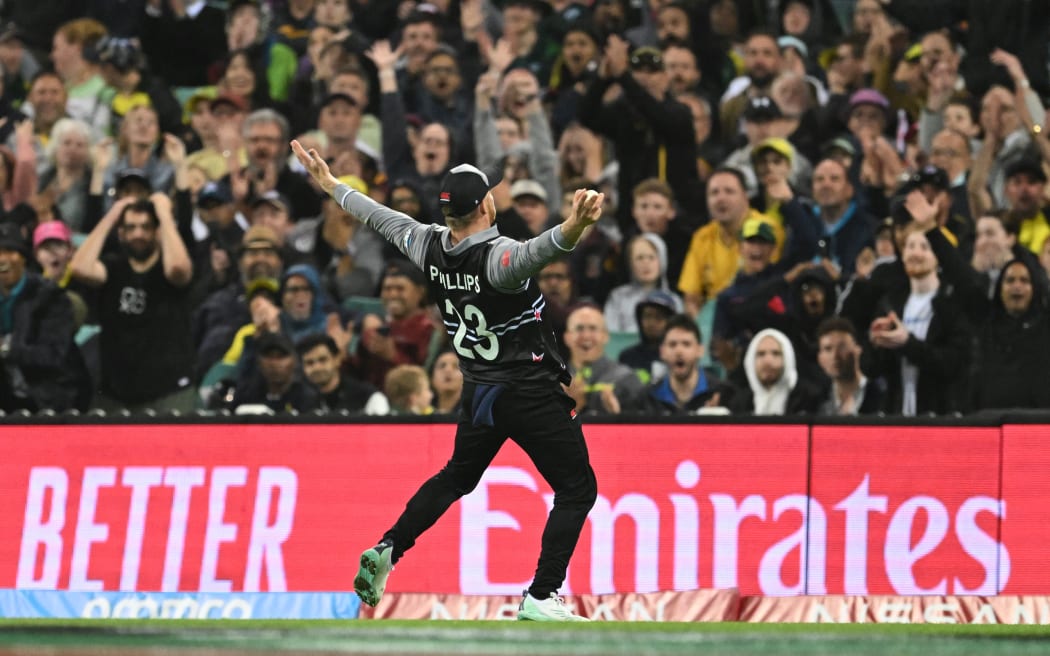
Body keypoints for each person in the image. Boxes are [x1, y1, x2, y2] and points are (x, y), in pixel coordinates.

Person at [292, 138, 602, 621]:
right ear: (485, 205)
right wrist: (577, 224)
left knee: (457, 477)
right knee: (578, 489)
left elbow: (377, 215)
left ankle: (390, 547)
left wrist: (331, 185)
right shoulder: (500, 260)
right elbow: (545, 248)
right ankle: (542, 594)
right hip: (526, 389)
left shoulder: (427, 245)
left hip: (478, 390)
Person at [69, 194, 196, 412]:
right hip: (115, 395)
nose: (138, 234)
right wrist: (111, 216)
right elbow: (79, 267)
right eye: (131, 227)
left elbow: (179, 269)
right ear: (121, 233)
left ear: (157, 231)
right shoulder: (112, 268)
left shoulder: (168, 270)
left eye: (146, 227)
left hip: (169, 393)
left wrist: (164, 215)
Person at [0, 221, 90, 412]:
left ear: (24, 258)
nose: (2, 259)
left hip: (53, 403)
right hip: (9, 403)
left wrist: (7, 349)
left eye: (10, 251)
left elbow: (54, 355)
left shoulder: (50, 297)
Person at [297, 332, 389, 415]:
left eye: (323, 360)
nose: (317, 368)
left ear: (337, 359)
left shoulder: (368, 397)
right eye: (309, 363)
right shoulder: (303, 403)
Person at [816, 316, 885, 416]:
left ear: (857, 349)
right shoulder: (816, 402)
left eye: (842, 347)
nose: (835, 355)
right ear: (820, 358)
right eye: (828, 349)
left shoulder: (882, 394)